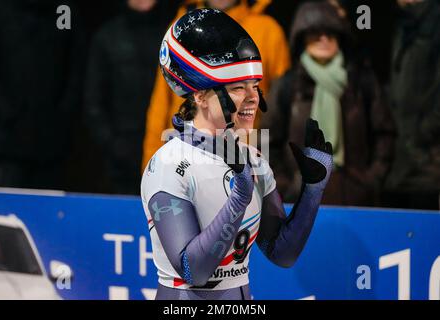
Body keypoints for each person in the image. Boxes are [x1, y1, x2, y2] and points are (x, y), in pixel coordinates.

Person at [141, 8, 333, 300]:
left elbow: (282, 253)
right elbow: (194, 272)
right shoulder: (168, 164)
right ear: (200, 96)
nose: (253, 97)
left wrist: (313, 189)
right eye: (237, 88)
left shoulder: (252, 158)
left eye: (254, 86)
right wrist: (240, 196)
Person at [262, 1, 395, 206]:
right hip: (299, 199)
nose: (323, 39)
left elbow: (384, 133)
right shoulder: (288, 85)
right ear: (302, 37)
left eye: (331, 32)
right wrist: (285, 185)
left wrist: (371, 181)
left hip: (355, 197)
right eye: (315, 32)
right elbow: (266, 140)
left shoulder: (360, 81)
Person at [140, 0, 290, 172]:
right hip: (182, 156)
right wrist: (150, 164)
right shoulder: (181, 28)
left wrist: (262, 166)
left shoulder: (268, 30)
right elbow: (160, 104)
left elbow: (278, 109)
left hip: (241, 157)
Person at [0, 0, 84, 190]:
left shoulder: (63, 11)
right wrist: (7, 113)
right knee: (10, 208)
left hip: (52, 138)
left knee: (49, 206)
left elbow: (76, 66)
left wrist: (62, 114)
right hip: (8, 140)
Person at [84, 0, 169, 194]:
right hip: (120, 157)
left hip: (167, 150)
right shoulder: (107, 37)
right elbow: (93, 102)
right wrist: (112, 144)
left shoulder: (172, 35)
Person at [384, 0, 440, 210]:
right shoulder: (403, 23)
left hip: (427, 163)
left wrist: (422, 134)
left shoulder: (434, 22)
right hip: (400, 163)